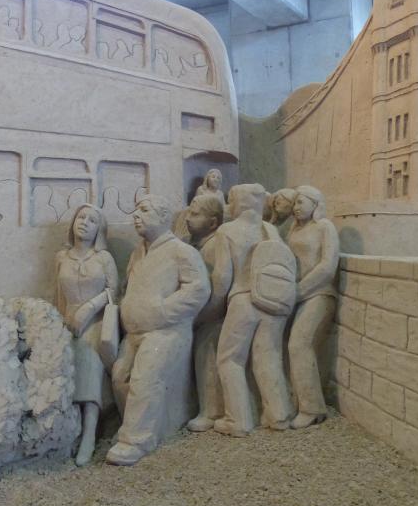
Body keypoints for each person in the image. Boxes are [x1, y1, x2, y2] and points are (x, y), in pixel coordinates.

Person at [109, 195, 210, 465]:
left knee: (146, 377)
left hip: (167, 331)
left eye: (144, 210)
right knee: (120, 376)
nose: (136, 215)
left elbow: (198, 290)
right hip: (135, 331)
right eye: (136, 210)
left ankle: (136, 440)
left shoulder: (181, 251)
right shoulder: (138, 253)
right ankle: (136, 425)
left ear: (164, 217)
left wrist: (163, 310)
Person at [212, 184, 295, 437]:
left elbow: (222, 276)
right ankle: (278, 415)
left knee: (230, 359)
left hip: (243, 300)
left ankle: (238, 420)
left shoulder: (227, 230)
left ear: (238, 202)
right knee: (268, 357)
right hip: (272, 301)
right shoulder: (271, 230)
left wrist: (214, 303)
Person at [53, 204, 119, 466]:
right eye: (81, 217)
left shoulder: (103, 258)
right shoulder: (61, 257)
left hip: (96, 321)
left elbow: (115, 291)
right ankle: (71, 428)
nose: (84, 223)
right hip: (68, 321)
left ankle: (90, 433)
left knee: (89, 358)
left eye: (92, 220)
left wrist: (90, 308)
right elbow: (58, 294)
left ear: (99, 229)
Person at [287, 186, 339, 429]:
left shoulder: (325, 227)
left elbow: (327, 267)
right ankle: (296, 401)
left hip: (319, 293)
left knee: (299, 344)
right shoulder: (294, 229)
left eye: (301, 202)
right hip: (295, 296)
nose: (296, 207)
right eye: (294, 203)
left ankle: (312, 408)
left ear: (315, 203)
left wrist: (299, 290)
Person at [183, 195, 226, 432]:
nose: (188, 218)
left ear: (212, 222)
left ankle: (212, 411)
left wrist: (204, 316)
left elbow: (220, 286)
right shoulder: (196, 244)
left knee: (207, 357)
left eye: (195, 214)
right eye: (189, 213)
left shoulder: (215, 245)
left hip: (213, 317)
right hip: (199, 316)